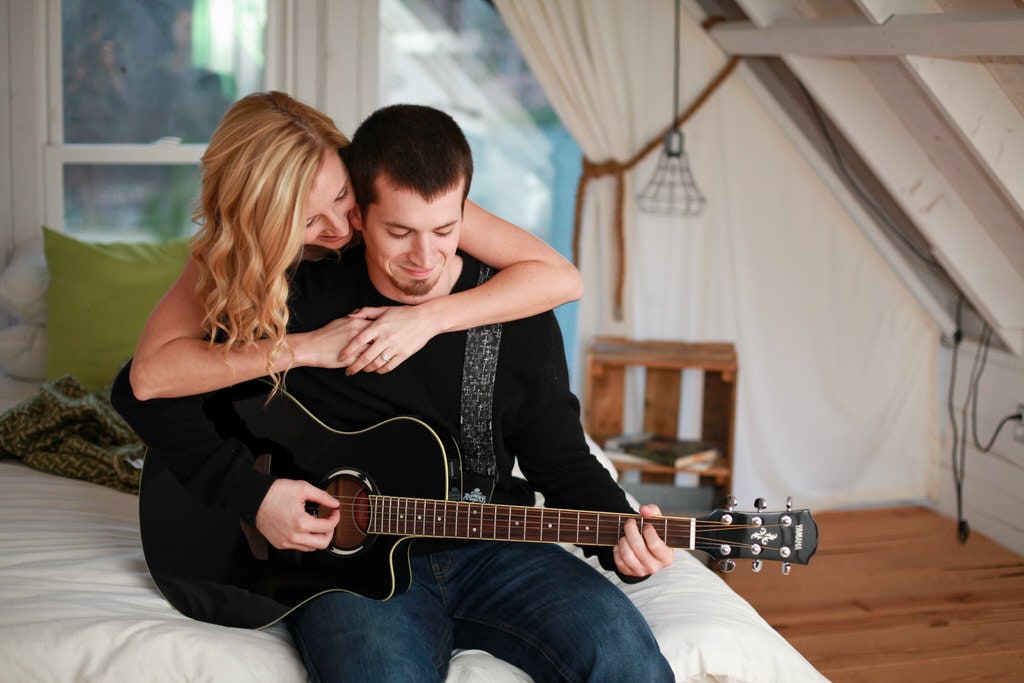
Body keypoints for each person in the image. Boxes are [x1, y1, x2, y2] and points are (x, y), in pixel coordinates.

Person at [113, 104, 675, 681]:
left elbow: (561, 458)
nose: (423, 256)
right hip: (346, 565)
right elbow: (148, 384)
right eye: (398, 231)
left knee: (629, 663)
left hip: (493, 543)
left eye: (444, 230)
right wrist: (253, 492)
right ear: (371, 212)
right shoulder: (286, 286)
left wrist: (622, 543)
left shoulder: (514, 304)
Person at [128, 90, 582, 401]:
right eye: (306, 221)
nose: (340, 229)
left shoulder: (394, 202)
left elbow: (560, 278)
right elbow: (148, 377)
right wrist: (303, 349)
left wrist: (425, 320)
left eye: (343, 196)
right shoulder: (230, 251)